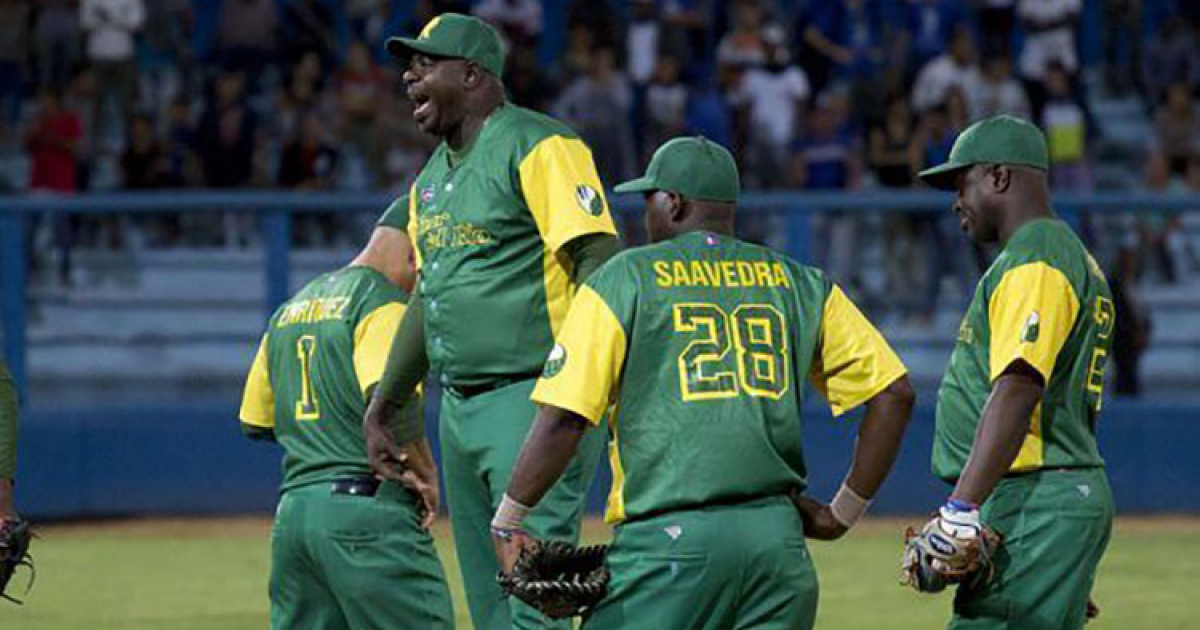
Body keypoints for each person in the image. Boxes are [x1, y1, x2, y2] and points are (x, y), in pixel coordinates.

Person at [491, 136, 916, 628]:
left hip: (668, 547)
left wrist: (509, 520)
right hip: (777, 549)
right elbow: (894, 393)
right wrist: (841, 513)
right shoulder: (800, 282)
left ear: (674, 202)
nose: (645, 211)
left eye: (650, 198)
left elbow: (565, 418)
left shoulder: (625, 276)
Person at [363, 13, 622, 630]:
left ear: (473, 74)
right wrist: (386, 404)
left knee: (537, 600)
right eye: (410, 65)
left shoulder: (540, 144)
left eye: (427, 64)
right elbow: (431, 299)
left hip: (532, 399)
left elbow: (598, 260)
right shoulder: (429, 181)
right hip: (459, 409)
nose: (410, 76)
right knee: (490, 606)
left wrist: (584, 387)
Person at [912, 115, 1115, 629]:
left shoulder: (1036, 258)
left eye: (963, 183)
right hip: (1048, 502)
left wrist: (960, 509)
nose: (956, 200)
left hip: (1036, 500)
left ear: (999, 177)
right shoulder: (1065, 255)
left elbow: (1019, 386)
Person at [238, 201, 453, 630]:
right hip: (367, 514)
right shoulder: (383, 303)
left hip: (294, 519)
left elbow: (256, 420)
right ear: (414, 253)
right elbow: (393, 404)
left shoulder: (290, 309)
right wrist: (428, 476)